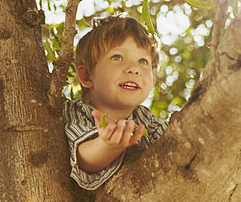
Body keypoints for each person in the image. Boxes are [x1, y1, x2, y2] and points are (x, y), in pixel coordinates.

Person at [64, 14, 167, 191]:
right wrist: (107, 146)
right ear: (87, 76)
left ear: (152, 81)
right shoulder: (75, 111)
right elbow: (83, 158)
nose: (133, 69)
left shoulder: (146, 120)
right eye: (117, 57)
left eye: (143, 61)